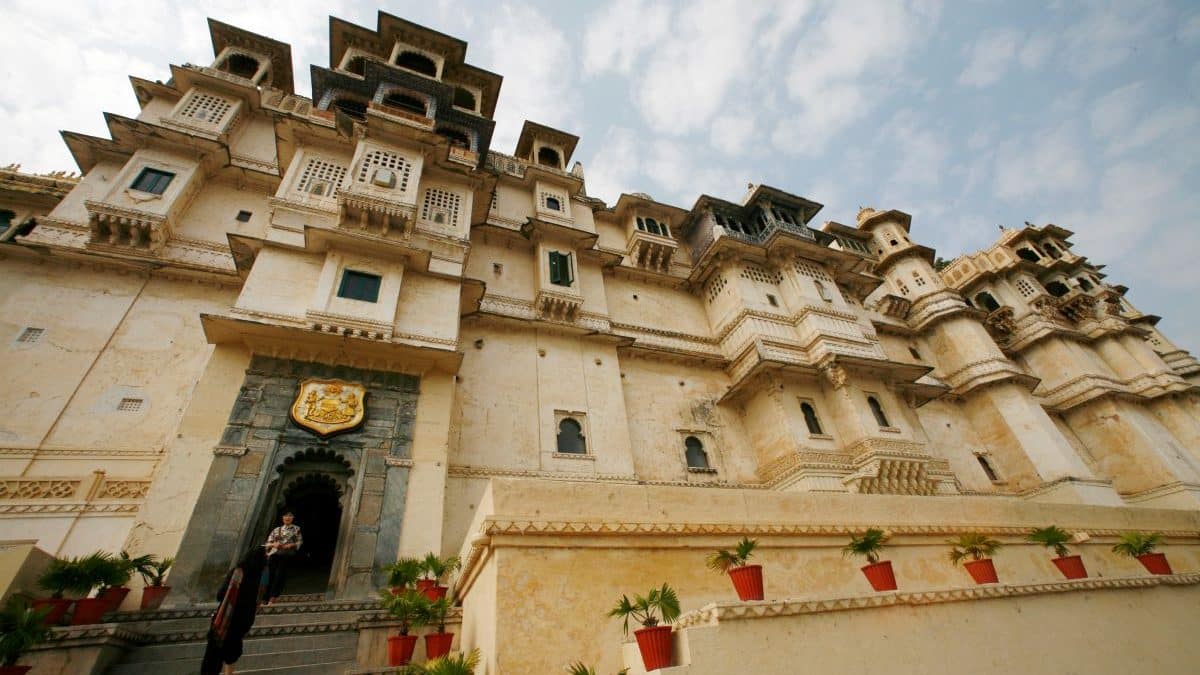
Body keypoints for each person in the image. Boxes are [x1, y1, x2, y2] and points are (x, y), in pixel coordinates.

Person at [201, 548, 267, 675]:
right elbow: (254, 605)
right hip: (240, 625)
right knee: (231, 654)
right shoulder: (259, 580)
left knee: (213, 658)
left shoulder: (238, 573)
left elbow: (221, 595)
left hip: (225, 621)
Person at [263, 511, 303, 604]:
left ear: (293, 518)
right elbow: (268, 543)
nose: (287, 517)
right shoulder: (276, 530)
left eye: (290, 516)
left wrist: (291, 545)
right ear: (282, 517)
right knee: (270, 575)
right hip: (274, 554)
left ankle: (273, 596)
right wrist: (274, 544)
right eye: (285, 516)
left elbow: (299, 541)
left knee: (280, 575)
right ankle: (265, 597)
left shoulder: (296, 529)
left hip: (285, 554)